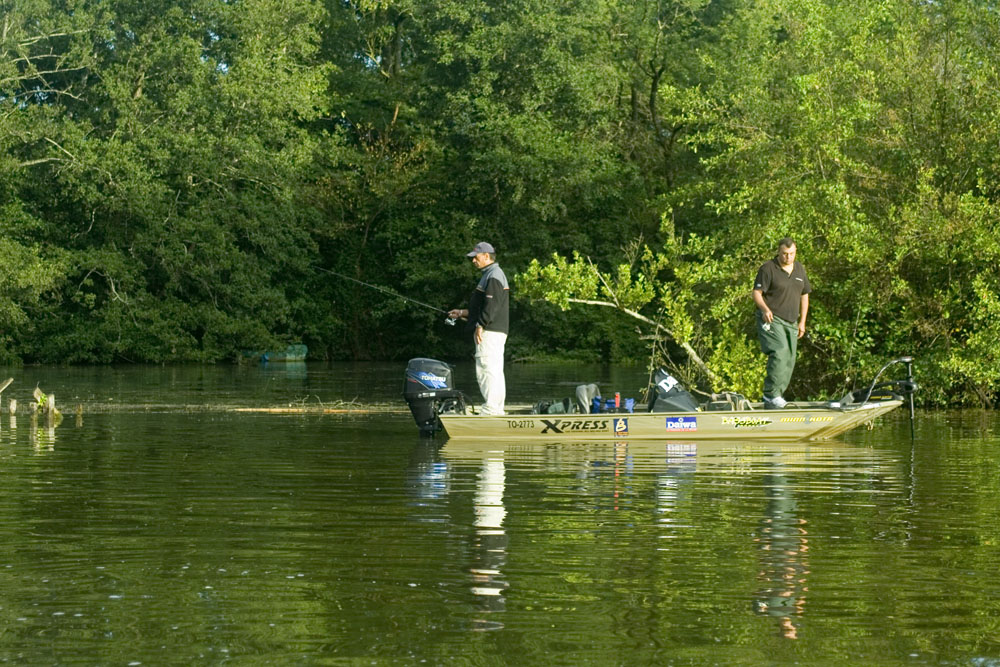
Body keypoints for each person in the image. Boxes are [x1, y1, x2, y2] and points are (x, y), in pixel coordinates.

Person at [448, 242, 510, 415]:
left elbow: (492, 306)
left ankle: (491, 410)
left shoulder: (493, 275)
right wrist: (461, 313)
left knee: (486, 369)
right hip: (494, 330)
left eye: (475, 257)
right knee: (494, 370)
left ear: (486, 256)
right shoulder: (490, 274)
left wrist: (480, 325)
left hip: (490, 332)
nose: (473, 260)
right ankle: (495, 409)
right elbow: (482, 308)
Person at [752, 237, 811, 409]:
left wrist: (802, 322)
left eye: (791, 254)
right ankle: (771, 395)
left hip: (791, 321)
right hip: (772, 318)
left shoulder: (799, 269)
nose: (788, 257)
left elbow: (805, 295)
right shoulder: (768, 268)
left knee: (790, 358)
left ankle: (777, 396)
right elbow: (756, 293)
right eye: (784, 254)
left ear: (795, 252)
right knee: (780, 351)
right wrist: (765, 309)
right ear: (779, 252)